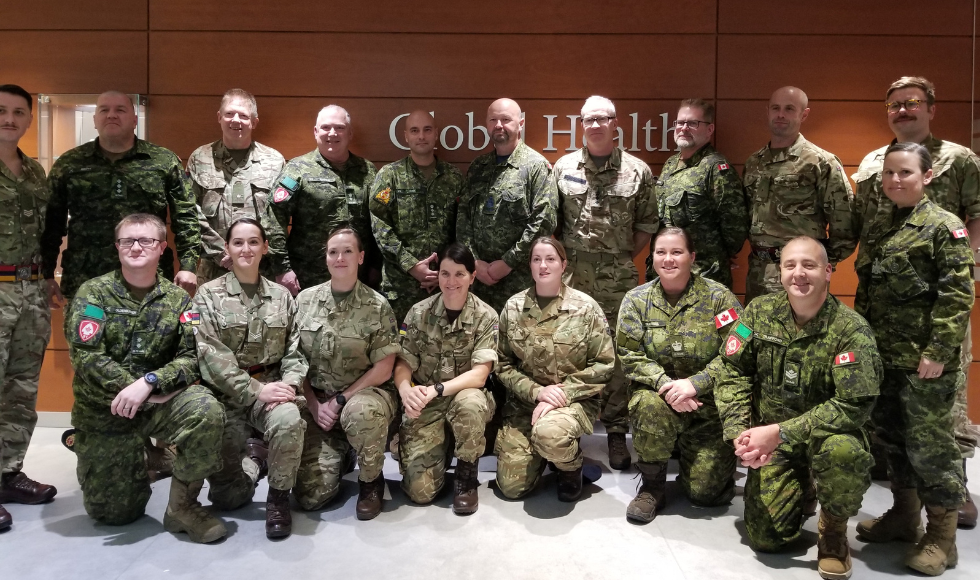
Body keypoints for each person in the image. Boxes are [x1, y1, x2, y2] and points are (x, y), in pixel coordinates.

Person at [853, 76, 980, 529]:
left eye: (912, 103)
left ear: (931, 107)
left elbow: (974, 225)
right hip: (887, 329)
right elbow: (862, 241)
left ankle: (949, 507)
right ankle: (905, 513)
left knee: (937, 423)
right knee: (892, 424)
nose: (903, 110)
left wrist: (939, 344)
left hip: (934, 325)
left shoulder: (959, 163)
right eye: (895, 104)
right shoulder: (873, 167)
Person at [716, 236, 882, 580]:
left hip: (824, 436)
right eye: (790, 265)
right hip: (770, 438)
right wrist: (739, 433)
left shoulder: (851, 330)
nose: (799, 274)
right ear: (780, 272)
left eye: (809, 265)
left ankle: (834, 532)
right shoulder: (759, 312)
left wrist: (779, 433)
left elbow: (853, 405)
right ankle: (802, 489)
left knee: (843, 452)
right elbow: (732, 368)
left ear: (828, 271)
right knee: (767, 539)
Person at [66, 213, 226, 542]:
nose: (136, 247)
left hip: (156, 404)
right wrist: (131, 387)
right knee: (114, 515)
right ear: (117, 246)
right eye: (128, 241)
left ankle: (182, 507)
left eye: (146, 241)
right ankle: (145, 455)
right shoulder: (93, 294)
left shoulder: (180, 299)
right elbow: (86, 355)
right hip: (105, 410)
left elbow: (191, 357)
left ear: (163, 248)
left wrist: (150, 383)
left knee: (206, 410)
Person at [552, 95, 659, 470]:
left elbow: (647, 224)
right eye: (588, 120)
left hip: (618, 276)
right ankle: (564, 431)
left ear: (616, 124)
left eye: (603, 119)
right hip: (572, 275)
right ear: (581, 125)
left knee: (615, 354)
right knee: (567, 350)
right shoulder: (563, 167)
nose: (595, 125)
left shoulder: (637, 171)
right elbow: (553, 225)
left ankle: (615, 432)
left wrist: (620, 256)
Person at [617, 227, 739, 523]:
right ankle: (652, 487)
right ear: (652, 258)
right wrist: (666, 385)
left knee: (705, 495)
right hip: (658, 397)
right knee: (646, 405)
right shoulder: (636, 300)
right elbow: (629, 354)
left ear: (692, 257)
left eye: (677, 252)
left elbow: (738, 351)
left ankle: (695, 460)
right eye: (661, 252)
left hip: (707, 404)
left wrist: (697, 384)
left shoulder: (718, 298)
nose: (668, 259)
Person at [193, 217, 305, 539]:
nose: (246, 249)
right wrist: (257, 390)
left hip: (272, 388)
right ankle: (254, 465)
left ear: (265, 247)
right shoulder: (206, 295)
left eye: (254, 242)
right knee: (229, 499)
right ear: (227, 249)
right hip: (225, 396)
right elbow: (210, 356)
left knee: (289, 419)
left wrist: (290, 386)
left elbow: (295, 351)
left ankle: (278, 499)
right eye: (238, 242)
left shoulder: (282, 297)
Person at [43, 90, 201, 303]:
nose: (111, 115)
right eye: (104, 110)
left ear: (135, 120)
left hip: (148, 281)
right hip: (86, 279)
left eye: (120, 110)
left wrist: (189, 267)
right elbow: (51, 223)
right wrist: (46, 273)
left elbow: (186, 219)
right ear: (95, 120)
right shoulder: (70, 164)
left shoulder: (163, 162)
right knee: (86, 336)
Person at [287, 226, 401, 519]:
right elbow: (293, 359)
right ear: (325, 258)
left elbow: (384, 367)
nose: (340, 258)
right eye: (333, 252)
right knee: (309, 497)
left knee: (360, 413)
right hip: (318, 405)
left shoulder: (377, 305)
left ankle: (371, 481)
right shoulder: (304, 302)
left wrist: (340, 400)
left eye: (348, 251)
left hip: (363, 397)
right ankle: (344, 452)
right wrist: (313, 404)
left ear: (361, 257)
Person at [495, 237, 614, 501]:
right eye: (536, 259)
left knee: (551, 435)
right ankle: (547, 455)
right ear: (530, 265)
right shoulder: (513, 308)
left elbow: (604, 364)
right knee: (512, 488)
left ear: (563, 265)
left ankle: (571, 468)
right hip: (526, 403)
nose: (543, 265)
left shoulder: (586, 308)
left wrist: (560, 394)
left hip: (572, 401)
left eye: (550, 259)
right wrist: (537, 392)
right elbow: (502, 363)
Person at [395, 242, 497, 514]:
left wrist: (437, 389)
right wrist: (406, 390)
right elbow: (404, 361)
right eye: (445, 273)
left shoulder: (486, 316)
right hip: (427, 403)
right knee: (421, 492)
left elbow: (480, 374)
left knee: (471, 403)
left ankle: (466, 475)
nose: (452, 281)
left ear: (472, 277)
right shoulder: (419, 313)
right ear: (437, 275)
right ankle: (441, 447)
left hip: (462, 397)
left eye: (460, 274)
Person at [742, 86, 857, 304]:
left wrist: (817, 265)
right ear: (768, 112)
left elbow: (846, 227)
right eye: (775, 108)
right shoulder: (754, 162)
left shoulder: (821, 162)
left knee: (802, 334)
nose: (781, 114)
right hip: (758, 272)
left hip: (801, 278)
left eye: (789, 109)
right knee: (758, 333)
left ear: (804, 114)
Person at [0, 84, 56, 531]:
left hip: (31, 289)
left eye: (19, 112)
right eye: (2, 111)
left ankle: (7, 473)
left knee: (21, 388)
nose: (10, 119)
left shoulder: (35, 172)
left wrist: (49, 279)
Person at [457, 98, 557, 313]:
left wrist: (508, 262)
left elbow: (543, 222)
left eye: (506, 119)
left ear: (520, 124)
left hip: (519, 281)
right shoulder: (478, 167)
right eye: (493, 120)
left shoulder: (536, 167)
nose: (499, 125)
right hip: (479, 281)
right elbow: (463, 217)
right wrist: (474, 261)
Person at [271, 105, 380, 293]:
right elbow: (273, 218)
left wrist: (376, 265)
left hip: (357, 279)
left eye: (339, 127)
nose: (332, 133)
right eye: (325, 127)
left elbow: (379, 222)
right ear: (315, 132)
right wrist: (282, 268)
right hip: (308, 279)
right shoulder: (297, 169)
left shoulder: (367, 171)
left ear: (350, 133)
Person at [187, 88, 288, 286]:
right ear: (219, 117)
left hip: (262, 268)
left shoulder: (274, 161)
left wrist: (257, 252)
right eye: (229, 114)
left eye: (243, 115)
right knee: (204, 317)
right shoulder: (199, 158)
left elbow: (280, 215)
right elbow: (190, 211)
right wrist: (220, 252)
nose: (236, 120)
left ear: (254, 121)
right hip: (213, 268)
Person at [370, 110, 463, 322]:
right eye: (415, 130)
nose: (421, 136)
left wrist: (444, 271)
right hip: (400, 287)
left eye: (427, 130)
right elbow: (379, 225)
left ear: (436, 134)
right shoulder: (389, 175)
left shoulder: (454, 177)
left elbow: (462, 228)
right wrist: (411, 265)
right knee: (399, 349)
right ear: (406, 136)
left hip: (446, 284)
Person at [649, 98, 748, 289]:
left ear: (709, 130)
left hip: (704, 275)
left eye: (692, 123)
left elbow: (735, 224)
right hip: (666, 273)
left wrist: (720, 254)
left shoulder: (716, 168)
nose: (684, 128)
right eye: (680, 122)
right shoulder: (670, 164)